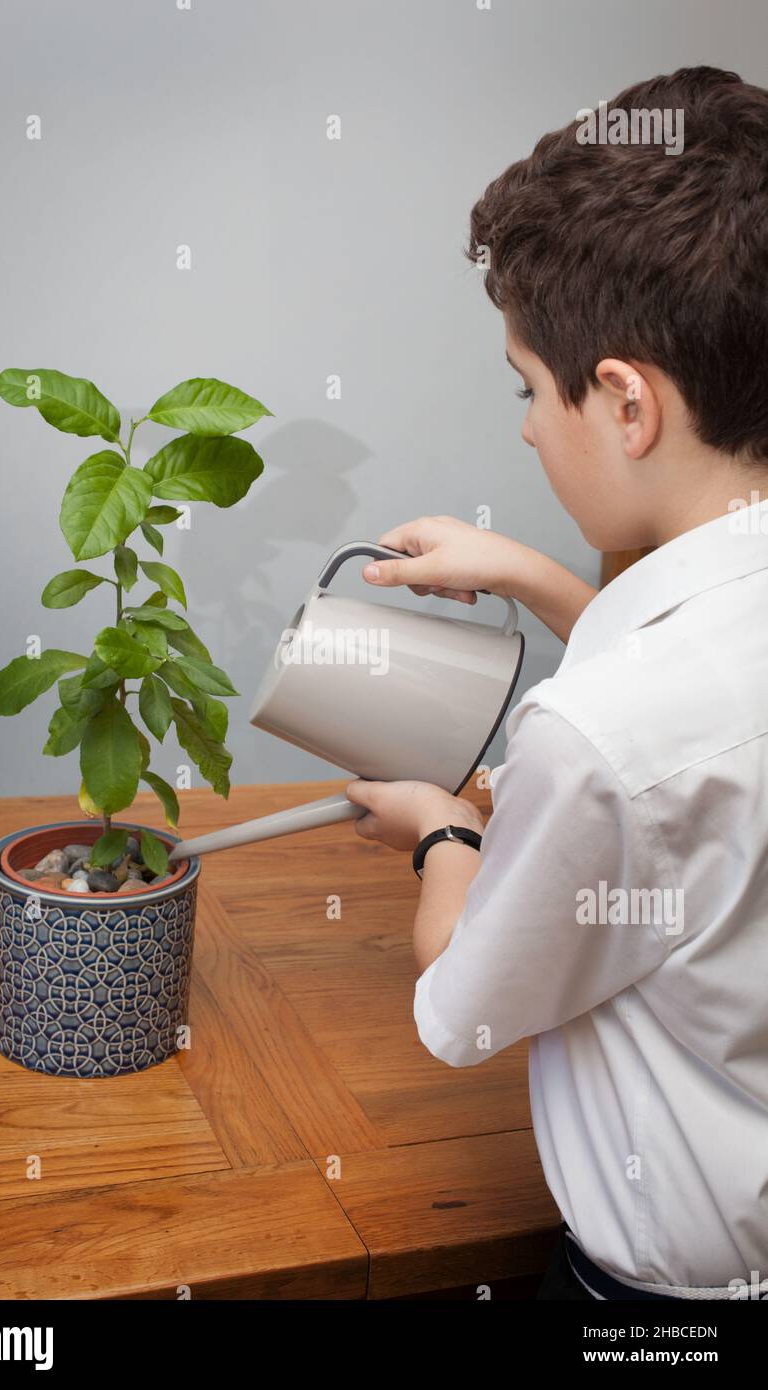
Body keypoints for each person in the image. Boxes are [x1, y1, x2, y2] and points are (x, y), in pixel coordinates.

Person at [344, 66, 768, 1302]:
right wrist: (539, 579)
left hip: (656, 1303)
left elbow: (463, 999)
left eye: (530, 387)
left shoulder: (587, 735)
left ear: (624, 401)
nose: (528, 428)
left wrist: (439, 833)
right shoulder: (663, 690)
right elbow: (710, 719)